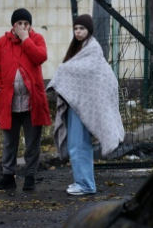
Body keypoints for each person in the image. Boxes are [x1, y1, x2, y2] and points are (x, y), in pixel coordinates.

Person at [47, 14, 124, 196]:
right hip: (77, 102)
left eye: (81, 28)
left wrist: (62, 71)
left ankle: (86, 185)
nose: (78, 31)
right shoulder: (80, 48)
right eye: (76, 28)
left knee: (79, 144)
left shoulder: (92, 49)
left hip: (85, 105)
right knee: (77, 143)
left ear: (88, 30)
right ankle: (82, 181)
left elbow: (85, 72)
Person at [0, 8, 51, 191]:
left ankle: (30, 176)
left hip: (32, 101)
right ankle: (8, 176)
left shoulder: (36, 39)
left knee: (32, 141)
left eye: (26, 24)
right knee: (9, 141)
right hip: (9, 101)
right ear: (13, 26)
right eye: (19, 24)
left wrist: (26, 39)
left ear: (30, 25)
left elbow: (40, 57)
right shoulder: (3, 42)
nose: (23, 27)